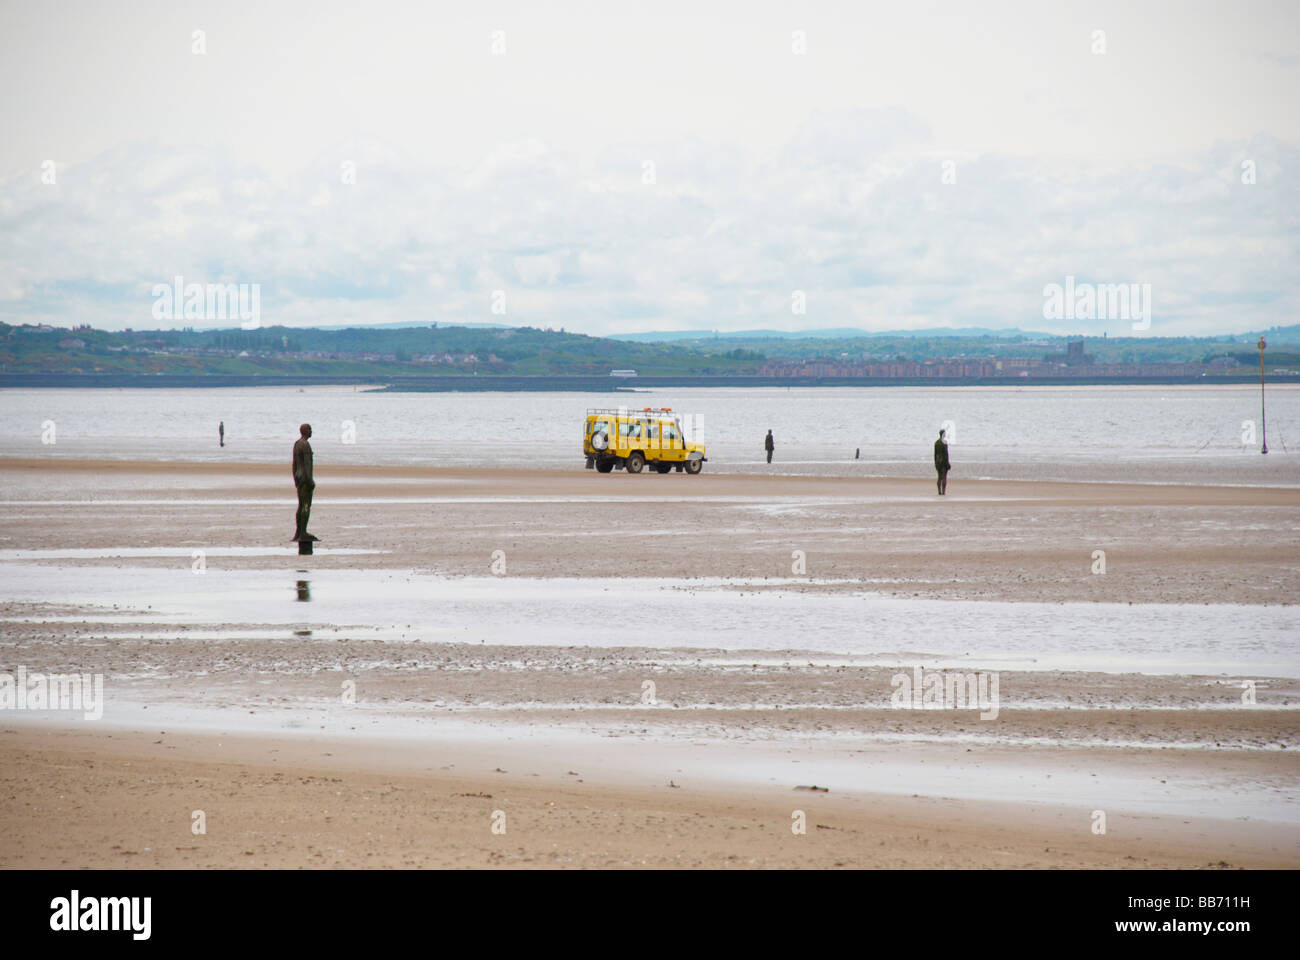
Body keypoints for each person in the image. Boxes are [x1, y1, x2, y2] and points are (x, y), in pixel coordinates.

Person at [293, 423, 318, 541]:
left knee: (300, 505)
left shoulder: (297, 444)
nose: (311, 431)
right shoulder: (305, 445)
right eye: (310, 429)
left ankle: (299, 531)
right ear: (305, 431)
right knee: (306, 506)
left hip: (298, 477)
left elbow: (294, 464)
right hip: (305, 479)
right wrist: (310, 480)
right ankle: (303, 532)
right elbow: (307, 464)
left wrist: (295, 479)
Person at [934, 428, 950, 495]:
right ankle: (943, 491)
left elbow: (935, 454)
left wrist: (935, 462)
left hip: (938, 462)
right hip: (943, 462)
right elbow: (946, 454)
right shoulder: (944, 442)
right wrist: (947, 463)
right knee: (944, 477)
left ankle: (939, 491)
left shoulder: (936, 442)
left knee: (939, 477)